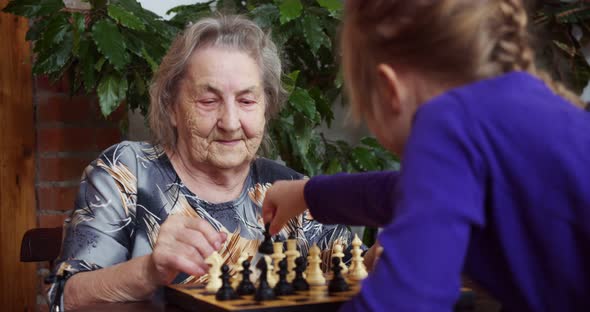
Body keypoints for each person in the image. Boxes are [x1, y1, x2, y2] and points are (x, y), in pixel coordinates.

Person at [262, 0, 590, 311]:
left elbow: (405, 303)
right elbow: (408, 192)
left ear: (389, 89)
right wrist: (307, 194)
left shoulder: (448, 119)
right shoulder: (526, 109)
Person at [47, 15, 363, 311]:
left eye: (247, 100)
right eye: (208, 101)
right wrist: (149, 270)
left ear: (266, 108)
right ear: (171, 107)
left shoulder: (288, 190)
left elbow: (360, 278)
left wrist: (383, 264)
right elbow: (66, 299)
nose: (230, 122)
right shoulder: (126, 172)